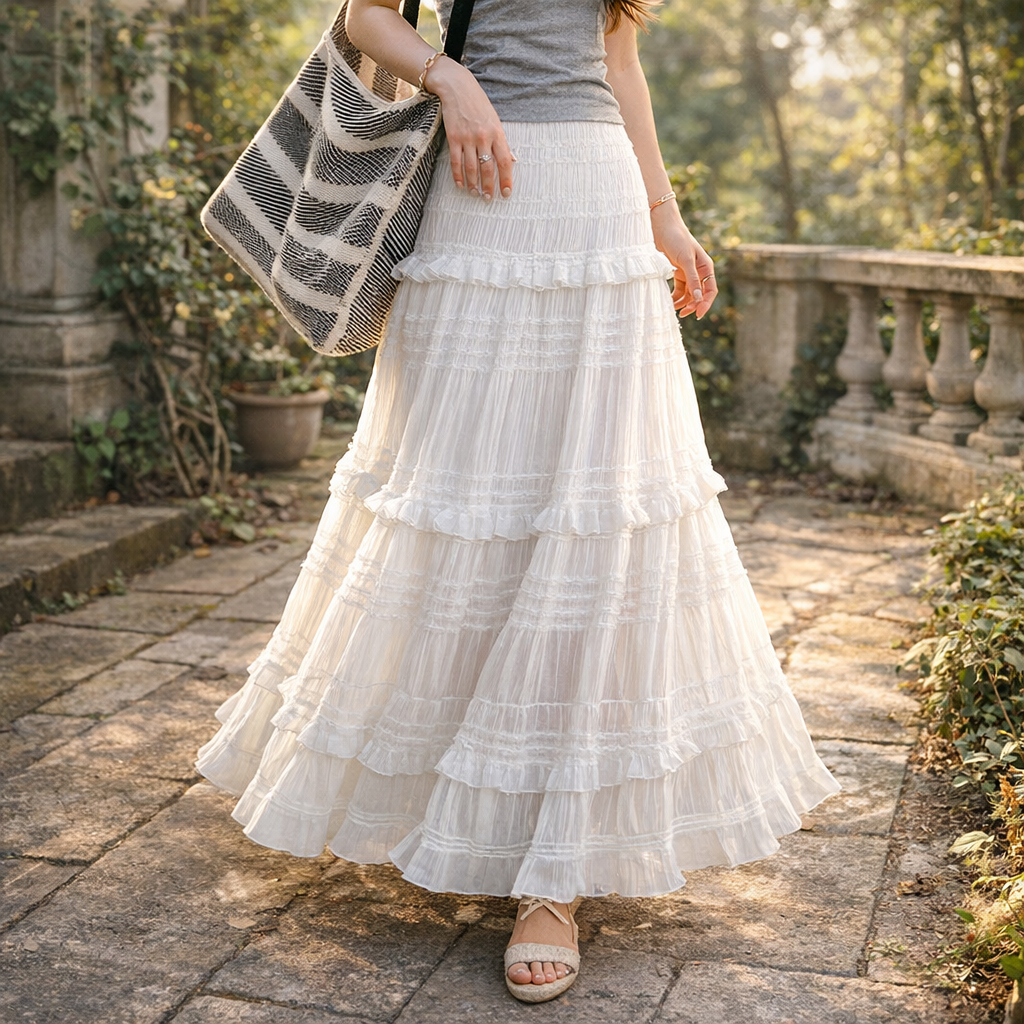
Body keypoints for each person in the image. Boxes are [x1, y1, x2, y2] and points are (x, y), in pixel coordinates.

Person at [196, 0, 840, 1005]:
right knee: (453, 503)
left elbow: (617, 58)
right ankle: (444, 803)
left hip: (598, 204)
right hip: (473, 194)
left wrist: (665, 217)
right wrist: (448, 78)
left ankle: (554, 877)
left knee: (590, 521)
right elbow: (366, 15)